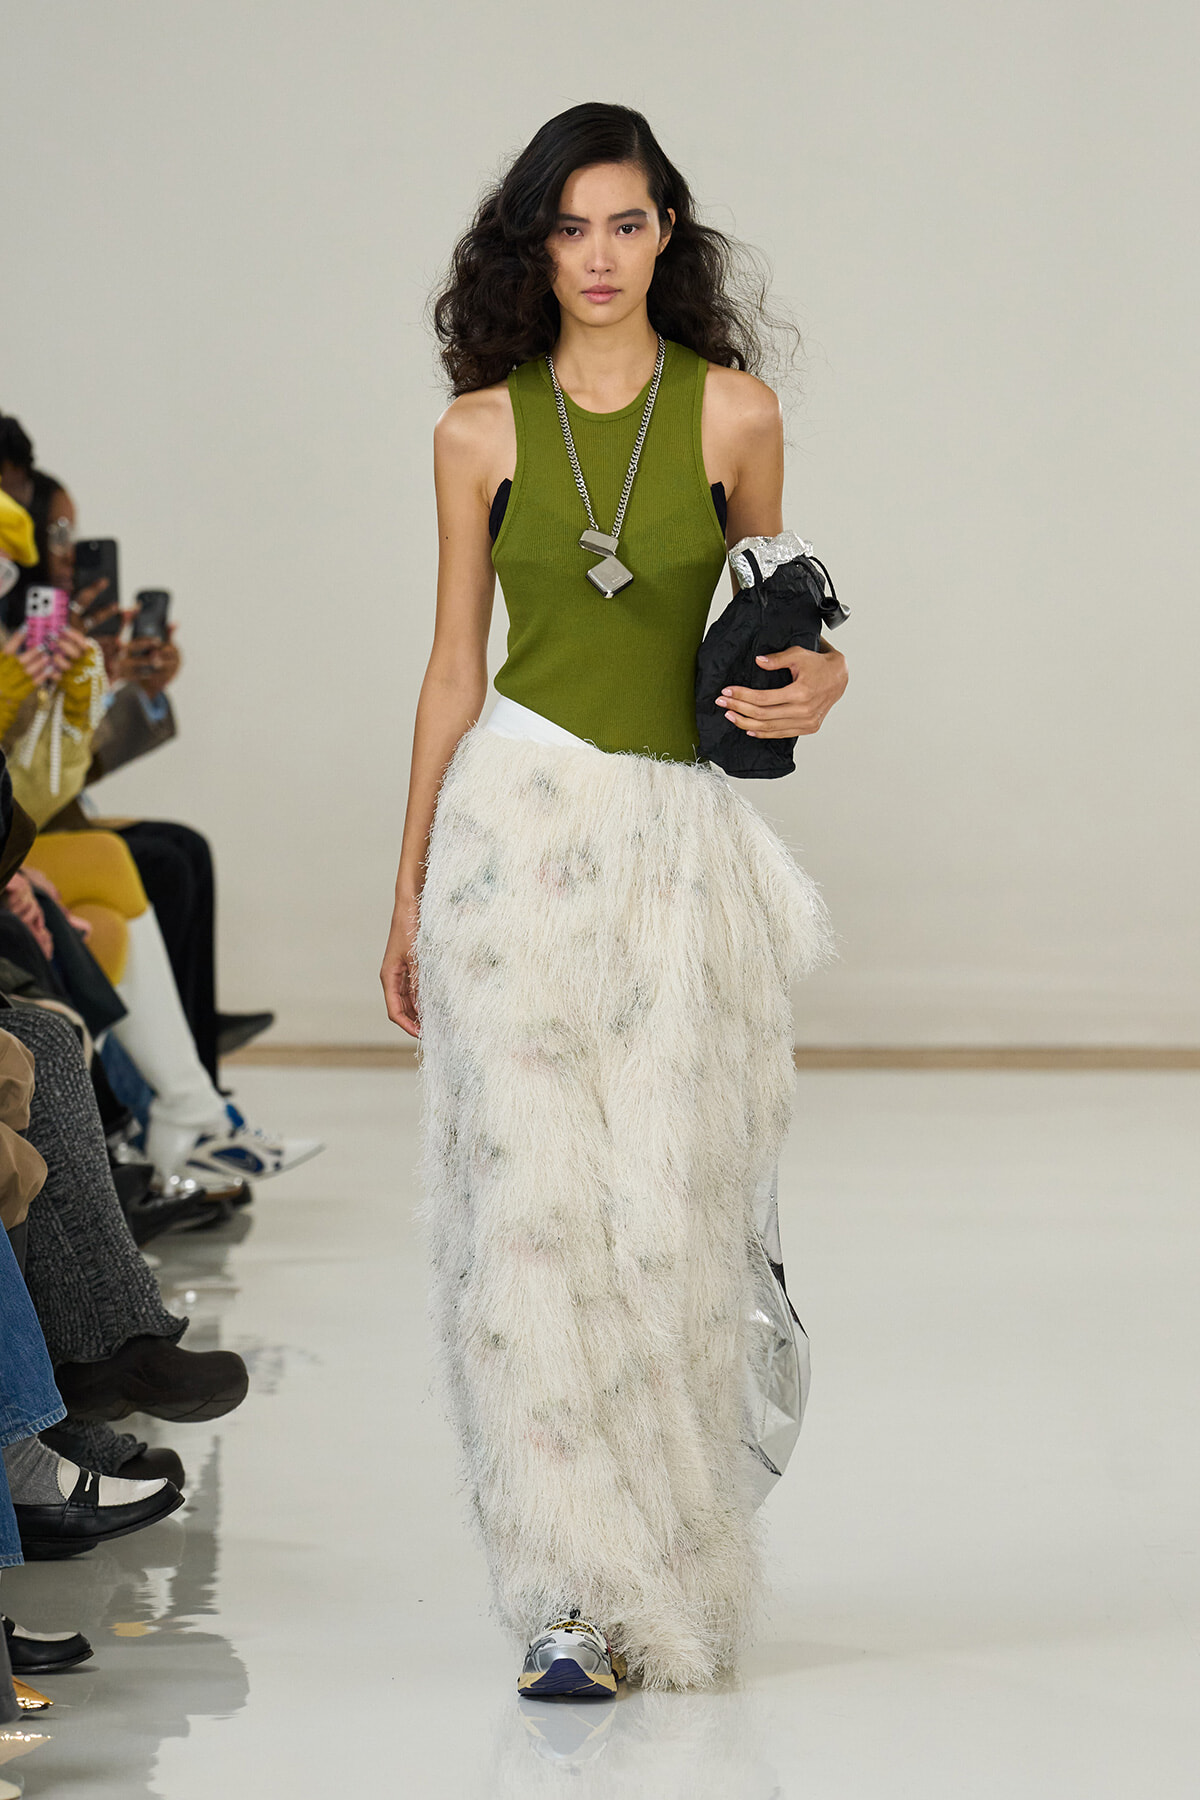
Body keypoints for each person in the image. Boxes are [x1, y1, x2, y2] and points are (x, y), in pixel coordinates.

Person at [380, 103, 847, 1697]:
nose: (598, 256)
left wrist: (825, 681)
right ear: (535, 243)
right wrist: (404, 890)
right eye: (569, 227)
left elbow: (777, 621)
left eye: (626, 224)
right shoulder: (474, 432)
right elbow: (453, 665)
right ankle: (568, 1597)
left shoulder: (737, 416)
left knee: (666, 1219)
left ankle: (673, 1566)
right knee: (525, 1224)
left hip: (672, 850)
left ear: (668, 236)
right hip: (509, 833)